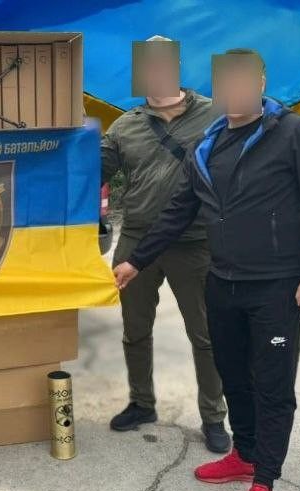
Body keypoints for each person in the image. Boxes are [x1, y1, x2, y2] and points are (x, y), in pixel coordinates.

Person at [114, 49, 300, 491]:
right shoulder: (209, 142)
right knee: (233, 376)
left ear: (261, 82)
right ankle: (244, 454)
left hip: (276, 286)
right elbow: (180, 210)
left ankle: (264, 484)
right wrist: (137, 259)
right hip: (222, 280)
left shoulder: (295, 134)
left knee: (272, 386)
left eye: (245, 81)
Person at [102, 35, 229, 452]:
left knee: (206, 334)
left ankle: (214, 417)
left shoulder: (215, 113)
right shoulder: (125, 125)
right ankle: (142, 403)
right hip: (137, 238)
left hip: (196, 242)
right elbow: (92, 169)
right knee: (135, 329)